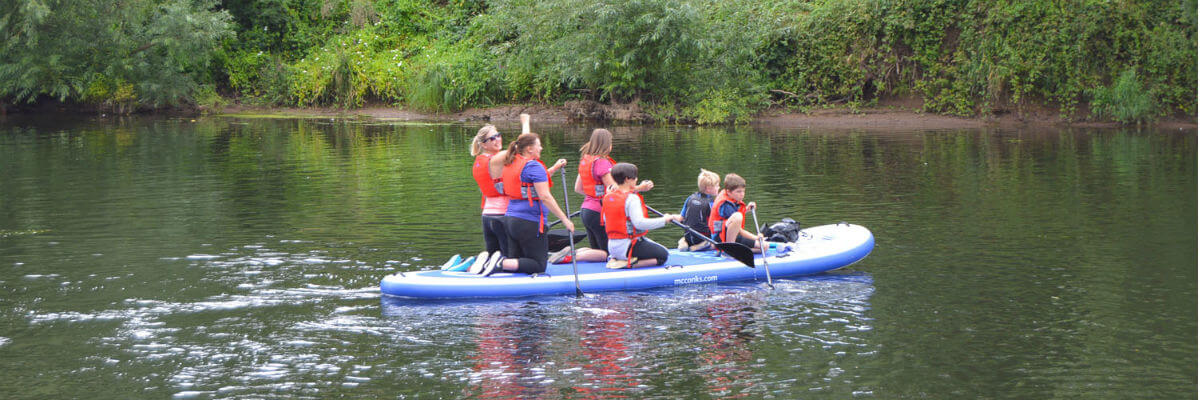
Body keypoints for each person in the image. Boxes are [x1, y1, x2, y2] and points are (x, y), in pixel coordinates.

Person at [550, 128, 652, 264]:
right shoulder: (602, 163)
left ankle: (573, 252)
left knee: (598, 252)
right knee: (609, 253)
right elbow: (616, 191)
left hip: (586, 211)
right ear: (607, 144)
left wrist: (594, 196)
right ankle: (573, 256)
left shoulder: (586, 160)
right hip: (599, 213)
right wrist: (641, 188)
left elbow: (578, 188)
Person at [480, 132, 573, 276]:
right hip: (530, 222)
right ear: (529, 149)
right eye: (539, 145)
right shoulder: (534, 166)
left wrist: (554, 168)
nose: (541, 148)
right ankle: (500, 262)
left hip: (510, 220)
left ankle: (492, 262)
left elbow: (529, 184)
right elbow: (545, 197)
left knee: (518, 260)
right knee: (538, 265)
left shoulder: (510, 163)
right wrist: (565, 220)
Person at [602, 162, 681, 268]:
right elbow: (639, 224)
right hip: (628, 246)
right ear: (627, 179)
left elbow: (606, 220)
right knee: (663, 255)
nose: (636, 180)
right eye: (634, 178)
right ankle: (627, 263)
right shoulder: (632, 198)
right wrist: (665, 220)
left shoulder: (607, 197)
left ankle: (617, 258)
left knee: (656, 246)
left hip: (612, 247)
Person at [470, 124, 509, 258]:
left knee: (494, 257)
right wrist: (525, 123)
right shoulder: (495, 159)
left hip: (487, 215)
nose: (497, 139)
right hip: (502, 215)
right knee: (508, 257)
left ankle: (480, 263)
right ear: (483, 145)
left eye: (498, 135)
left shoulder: (478, 162)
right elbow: (522, 148)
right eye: (492, 138)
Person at [708, 173, 763, 253]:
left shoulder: (730, 197)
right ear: (729, 192)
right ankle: (730, 249)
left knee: (764, 247)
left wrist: (747, 209)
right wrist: (755, 237)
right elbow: (738, 228)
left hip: (732, 234)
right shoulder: (726, 205)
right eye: (738, 191)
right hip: (721, 237)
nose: (742, 194)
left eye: (743, 191)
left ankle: (736, 251)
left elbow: (734, 217)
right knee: (738, 216)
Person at [677, 169, 720, 251]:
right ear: (708, 189)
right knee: (718, 238)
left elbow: (680, 219)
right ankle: (699, 246)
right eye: (717, 185)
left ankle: (684, 242)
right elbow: (716, 224)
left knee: (690, 235)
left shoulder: (690, 198)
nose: (719, 187)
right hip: (702, 237)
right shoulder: (711, 203)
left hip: (688, 235)